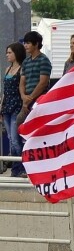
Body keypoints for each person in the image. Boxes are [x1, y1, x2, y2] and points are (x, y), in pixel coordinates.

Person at [2, 43, 25, 178]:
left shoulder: (21, 69)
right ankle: (16, 169)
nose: (7, 55)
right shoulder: (7, 69)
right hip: (7, 107)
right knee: (10, 138)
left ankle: (21, 167)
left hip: (17, 106)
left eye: (10, 52)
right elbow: (5, 91)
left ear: (16, 53)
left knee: (16, 139)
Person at [18, 31, 51, 125]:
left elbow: (43, 83)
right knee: (20, 123)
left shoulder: (44, 60)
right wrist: (23, 96)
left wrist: (30, 98)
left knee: (35, 126)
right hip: (27, 100)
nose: (25, 45)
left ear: (36, 44)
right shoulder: (26, 61)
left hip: (39, 99)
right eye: (25, 43)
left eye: (28, 43)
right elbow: (22, 83)